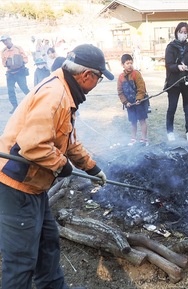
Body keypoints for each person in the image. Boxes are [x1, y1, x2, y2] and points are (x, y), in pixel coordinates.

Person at [0, 43, 114, 289]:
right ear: (86, 75)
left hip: (34, 185)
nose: (97, 84)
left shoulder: (65, 91)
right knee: (21, 260)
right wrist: (62, 166)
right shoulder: (56, 95)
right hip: (16, 186)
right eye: (99, 78)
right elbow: (32, 145)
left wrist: (92, 168)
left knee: (47, 242)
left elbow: (67, 140)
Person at [164, 21, 188, 142]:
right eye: (181, 32)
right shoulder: (170, 47)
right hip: (174, 82)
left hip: (187, 82)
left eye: (185, 32)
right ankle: (170, 132)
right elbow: (168, 65)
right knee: (172, 107)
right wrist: (177, 67)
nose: (183, 34)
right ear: (177, 32)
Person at [117, 53, 149, 146]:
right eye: (127, 63)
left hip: (140, 102)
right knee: (133, 121)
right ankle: (133, 138)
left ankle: (144, 139)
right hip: (129, 104)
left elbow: (141, 88)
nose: (130, 65)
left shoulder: (136, 74)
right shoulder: (121, 77)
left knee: (142, 120)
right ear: (122, 65)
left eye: (131, 63)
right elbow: (120, 91)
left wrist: (139, 99)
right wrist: (125, 102)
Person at [1, 35, 30, 114]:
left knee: (24, 88)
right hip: (10, 73)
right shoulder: (3, 51)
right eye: (3, 41)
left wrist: (20, 62)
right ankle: (15, 106)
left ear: (10, 39)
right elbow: (3, 62)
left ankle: (33, 102)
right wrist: (8, 63)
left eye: (6, 40)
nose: (5, 42)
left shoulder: (18, 48)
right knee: (10, 90)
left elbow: (25, 58)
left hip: (20, 71)